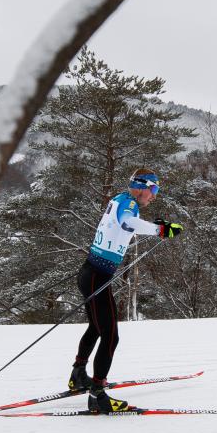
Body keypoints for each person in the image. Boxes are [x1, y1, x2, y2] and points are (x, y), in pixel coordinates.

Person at [68, 168, 184, 413]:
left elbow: (127, 227)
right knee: (111, 335)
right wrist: (159, 230)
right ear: (141, 186)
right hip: (96, 277)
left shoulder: (121, 200)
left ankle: (78, 374)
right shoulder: (129, 203)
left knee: (96, 328)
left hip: (90, 273)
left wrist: (155, 227)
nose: (154, 195)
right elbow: (127, 222)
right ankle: (97, 395)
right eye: (153, 189)